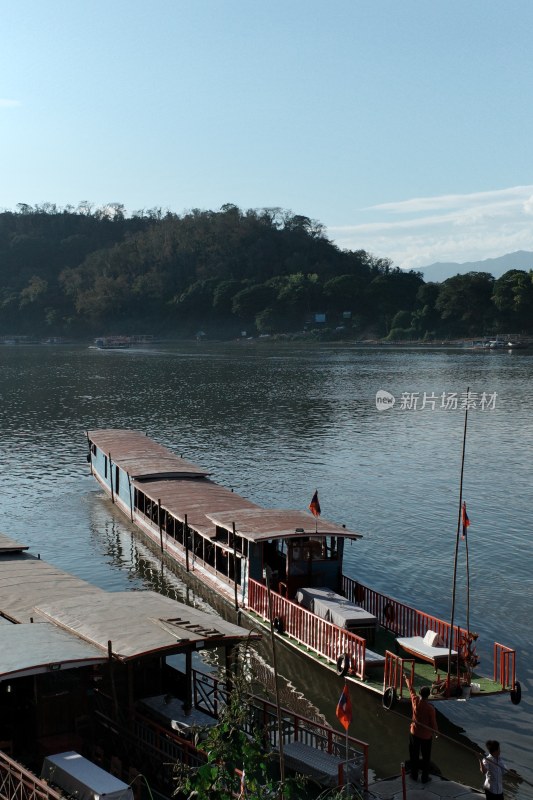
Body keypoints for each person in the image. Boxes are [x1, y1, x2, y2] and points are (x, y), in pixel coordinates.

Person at [404, 675, 438, 783]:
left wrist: (407, 679)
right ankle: (424, 777)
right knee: (426, 757)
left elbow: (411, 690)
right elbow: (433, 723)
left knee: (414, 754)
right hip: (426, 736)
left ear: (420, 694)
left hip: (414, 733)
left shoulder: (415, 701)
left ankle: (414, 775)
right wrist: (436, 733)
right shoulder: (430, 709)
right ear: (428, 696)